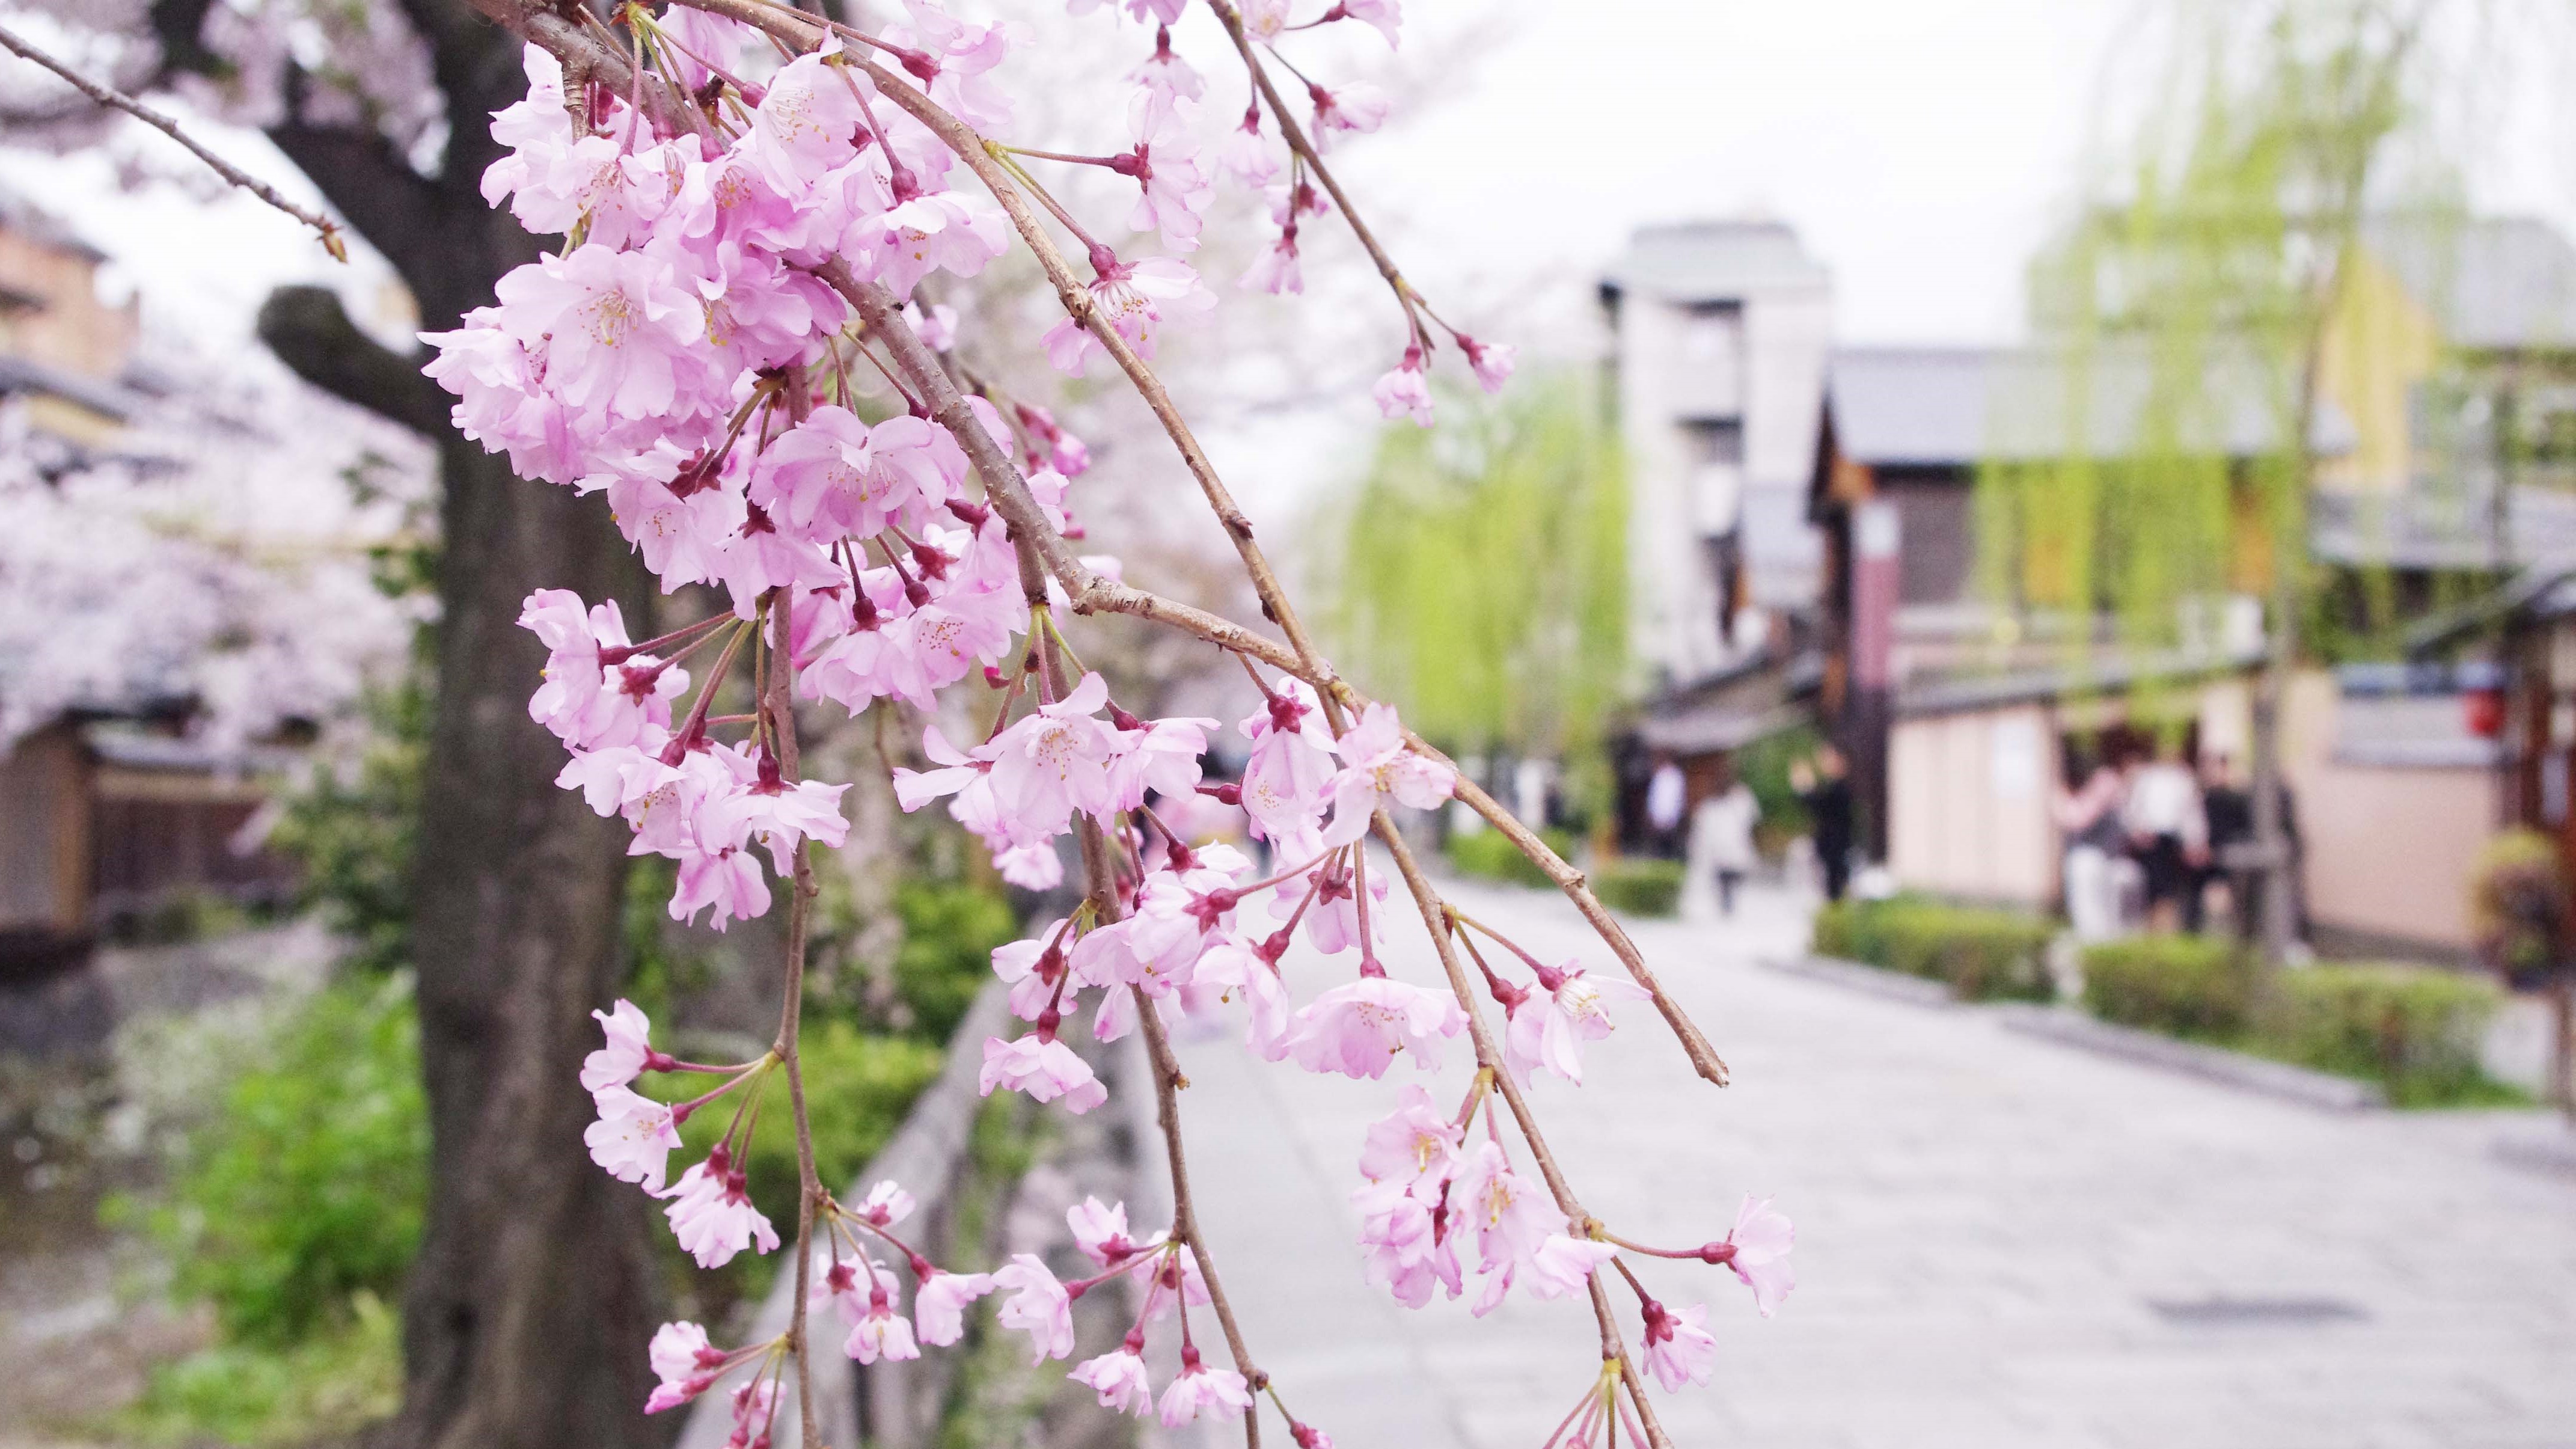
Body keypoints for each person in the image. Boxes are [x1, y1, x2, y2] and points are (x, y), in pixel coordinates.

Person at [2124, 743, 2209, 932]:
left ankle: (2169, 929)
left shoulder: (2183, 778)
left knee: (2171, 891)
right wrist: (2137, 830)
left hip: (2174, 839)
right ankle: (2151, 929)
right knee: (2152, 890)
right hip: (2151, 838)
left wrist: (2195, 842)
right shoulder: (2146, 777)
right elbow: (2134, 808)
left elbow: (2191, 813)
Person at [2055, 749, 2130, 942]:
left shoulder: (2104, 784)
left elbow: (2076, 820)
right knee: (2096, 914)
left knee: (2092, 915)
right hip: (2101, 859)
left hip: (2091, 859)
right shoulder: (2106, 787)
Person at [1689, 770, 1760, 916]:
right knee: (1726, 885)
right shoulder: (1712, 807)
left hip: (1731, 854)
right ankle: (1728, 909)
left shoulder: (1738, 801)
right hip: (1723, 856)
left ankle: (1728, 908)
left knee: (1729, 884)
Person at [1791, 745, 1855, 902]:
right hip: (1832, 849)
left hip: (1836, 849)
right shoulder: (1834, 787)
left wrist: (1806, 788)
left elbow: (1823, 809)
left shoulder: (1841, 788)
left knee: (1835, 892)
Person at [1643, 752, 1687, 859]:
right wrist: (1652, 814)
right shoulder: (1659, 775)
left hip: (1671, 816)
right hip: (1659, 816)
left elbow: (1678, 797)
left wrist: (1676, 814)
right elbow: (1654, 796)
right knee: (1659, 844)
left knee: (1670, 844)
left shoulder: (1677, 776)